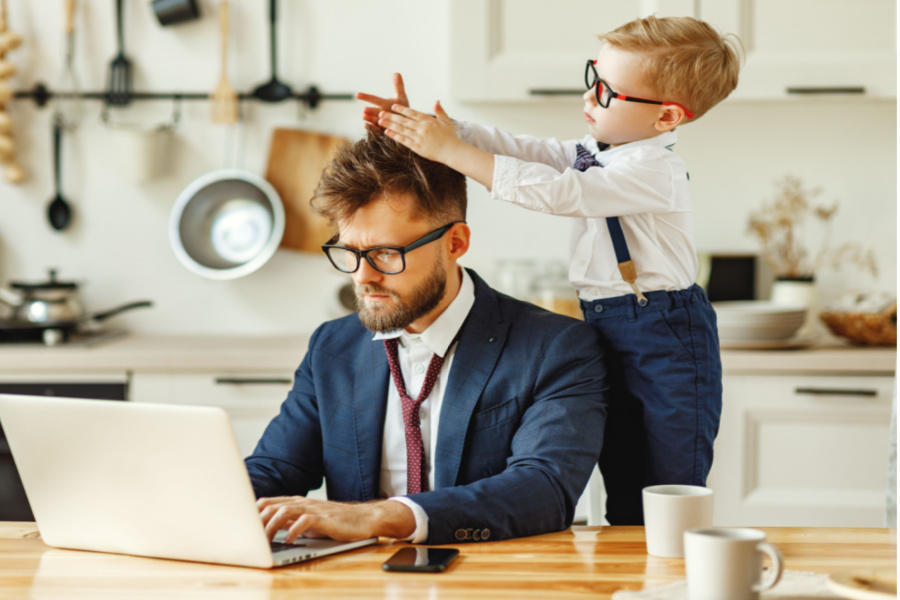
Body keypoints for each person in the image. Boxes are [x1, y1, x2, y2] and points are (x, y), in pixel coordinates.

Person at [359, 15, 742, 525]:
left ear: (668, 117)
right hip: (609, 323)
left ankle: (673, 577)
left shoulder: (654, 171)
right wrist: (441, 132)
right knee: (624, 476)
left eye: (608, 92)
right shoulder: (598, 153)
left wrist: (450, 150)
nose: (589, 97)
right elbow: (528, 152)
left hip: (666, 334)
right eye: (593, 77)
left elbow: (564, 193)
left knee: (667, 482)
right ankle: (633, 575)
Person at [245, 131, 609, 545]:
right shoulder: (332, 346)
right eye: (350, 252)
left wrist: (385, 517)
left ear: (455, 243)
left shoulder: (556, 347)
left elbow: (544, 489)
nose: (363, 277)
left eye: (385, 253)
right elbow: (275, 470)